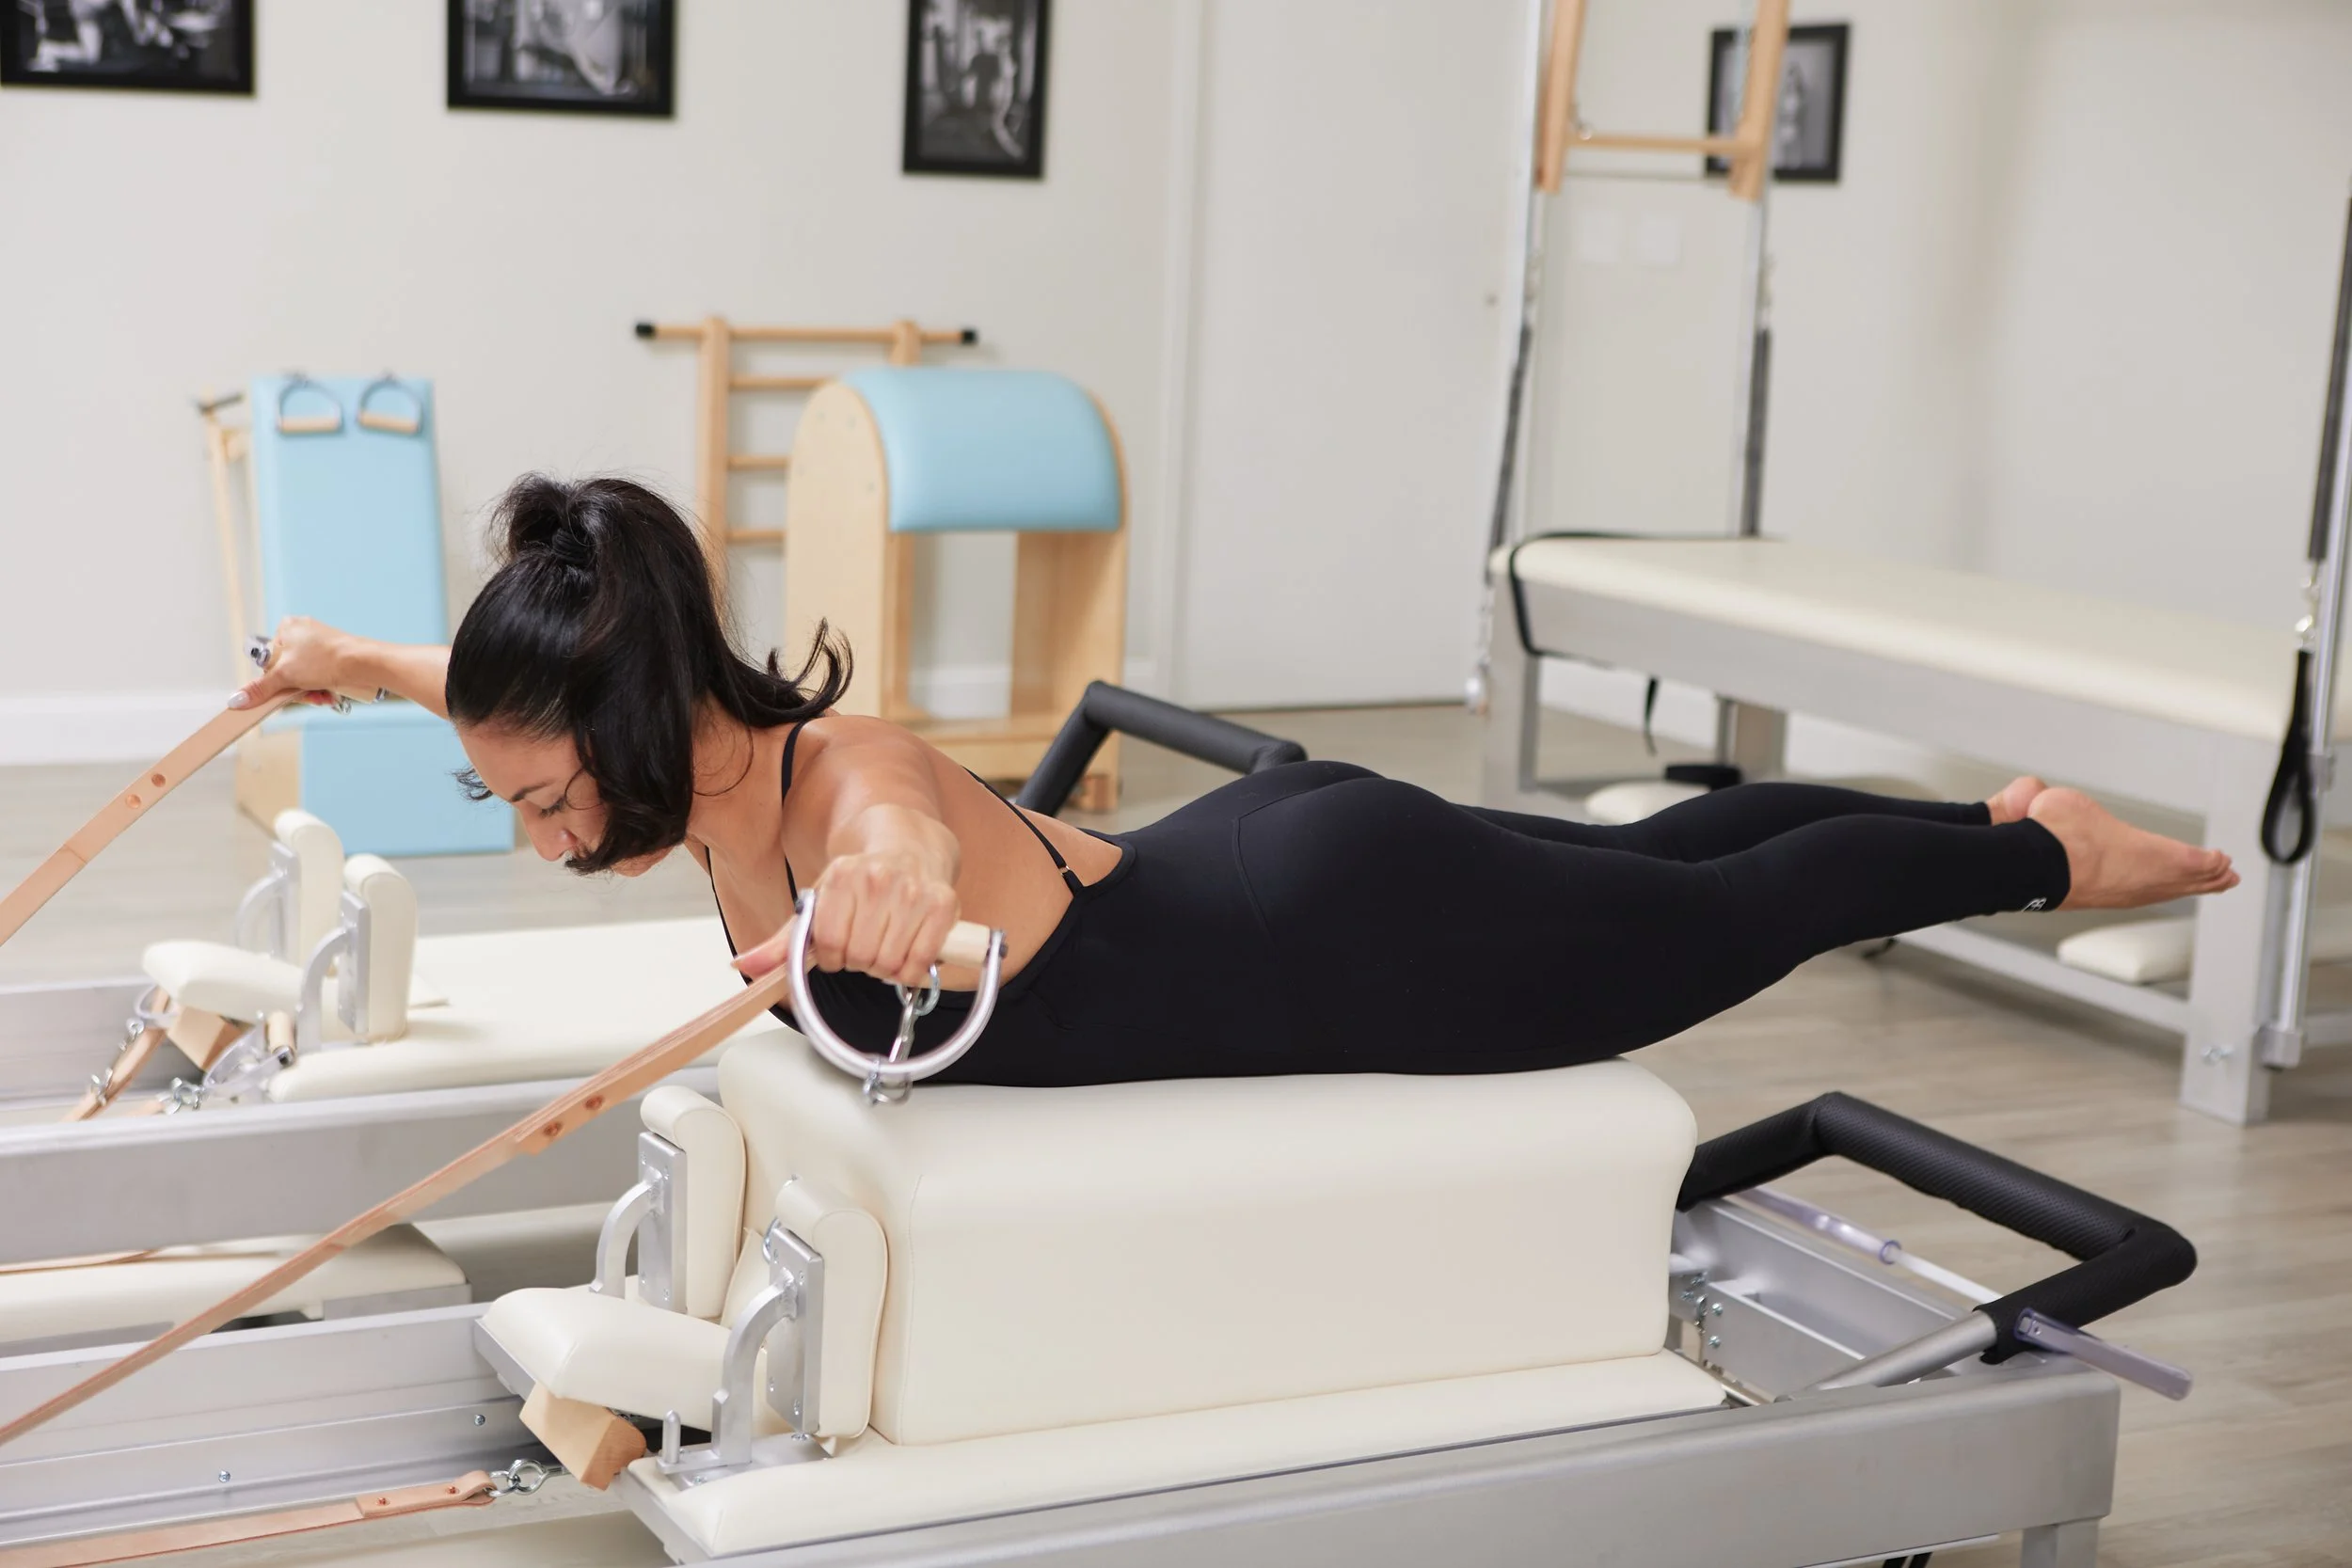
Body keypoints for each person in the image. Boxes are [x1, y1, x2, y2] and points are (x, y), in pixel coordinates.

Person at [237, 475, 2238, 1087]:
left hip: (1348, 929)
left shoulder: (850, 793)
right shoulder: (655, 732)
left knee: (1718, 916)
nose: (531, 827)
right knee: (1649, 854)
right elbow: (504, 702)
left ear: (630, 732)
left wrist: (882, 899)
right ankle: (1990, 816)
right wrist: (353, 660)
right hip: (1263, 850)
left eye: (534, 797)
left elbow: (900, 834)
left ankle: (2037, 860)